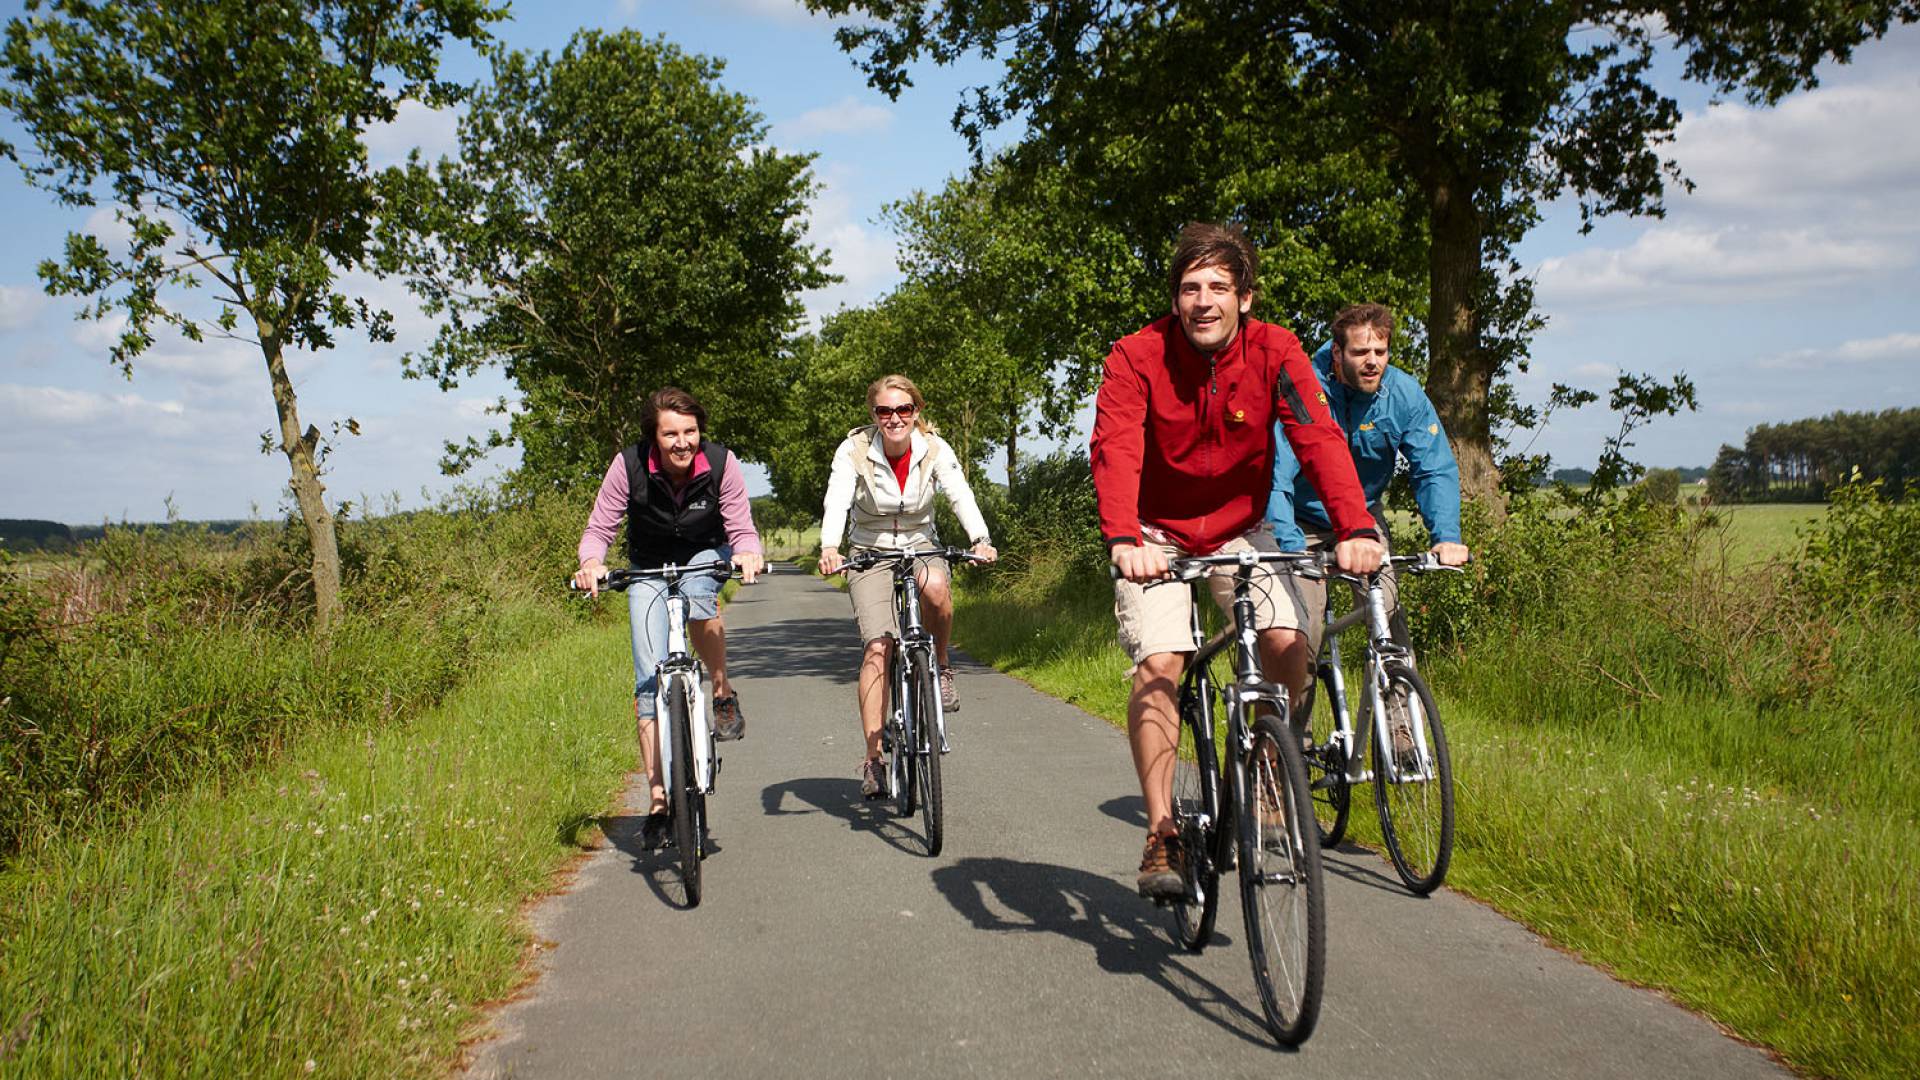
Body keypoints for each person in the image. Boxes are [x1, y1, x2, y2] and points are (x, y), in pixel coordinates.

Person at [1092, 222, 1384, 900]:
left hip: (1239, 529)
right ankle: (1163, 832)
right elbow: (1114, 447)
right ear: (1174, 298)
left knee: (1289, 642)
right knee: (1162, 662)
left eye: (1218, 287)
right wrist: (1122, 540)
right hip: (1153, 531)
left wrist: (1355, 526)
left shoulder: (1277, 350)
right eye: (1189, 288)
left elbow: (1317, 436)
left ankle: (1265, 766)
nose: (1202, 301)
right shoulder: (1136, 355)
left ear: (1244, 298)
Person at [1266, 303, 1469, 762]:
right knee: (1302, 627)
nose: (1373, 360)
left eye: (1380, 350)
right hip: (1298, 518)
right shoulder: (1305, 387)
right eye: (1360, 352)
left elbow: (1433, 468)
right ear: (1337, 354)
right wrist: (1291, 549)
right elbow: (1275, 473)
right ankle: (1290, 747)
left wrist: (1446, 535)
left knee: (1386, 606)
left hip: (1359, 518)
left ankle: (1400, 732)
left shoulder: (1403, 393)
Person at [573, 387, 765, 848]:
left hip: (704, 551)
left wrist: (748, 553)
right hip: (649, 564)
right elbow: (601, 526)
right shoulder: (628, 465)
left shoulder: (721, 463)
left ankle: (720, 687)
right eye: (671, 434)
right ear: (654, 438)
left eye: (690, 432)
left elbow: (740, 523)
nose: (683, 442)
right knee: (646, 678)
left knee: (700, 593)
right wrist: (591, 563)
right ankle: (659, 804)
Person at [817, 374, 997, 800]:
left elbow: (959, 493)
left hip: (920, 545)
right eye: (885, 411)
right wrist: (829, 546)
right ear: (873, 415)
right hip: (870, 550)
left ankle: (941, 663)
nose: (894, 418)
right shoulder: (854, 450)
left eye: (903, 409)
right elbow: (837, 498)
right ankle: (873, 758)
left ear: (916, 411)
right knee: (878, 646)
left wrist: (981, 539)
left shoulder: (934, 447)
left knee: (936, 590)